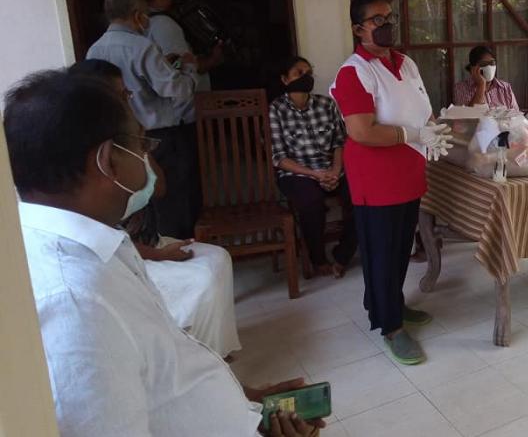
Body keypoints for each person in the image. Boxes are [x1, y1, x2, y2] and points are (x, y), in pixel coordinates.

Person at [4, 68, 324, 437]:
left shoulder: (98, 248)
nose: (146, 157)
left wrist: (247, 401)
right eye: (142, 144)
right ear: (108, 160)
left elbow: (164, 368)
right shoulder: (75, 302)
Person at [68, 58, 241, 358]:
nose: (127, 99)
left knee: (217, 258)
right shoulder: (90, 166)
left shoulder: (127, 139)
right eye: (120, 94)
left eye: (126, 93)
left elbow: (158, 187)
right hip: (127, 256)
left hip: (148, 242)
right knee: (201, 279)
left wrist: (138, 144)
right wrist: (160, 255)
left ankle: (215, 352)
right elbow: (109, 240)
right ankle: (189, 356)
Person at [330, 0, 452, 366]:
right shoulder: (355, 71)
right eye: (377, 20)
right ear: (358, 29)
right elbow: (362, 131)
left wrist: (433, 131)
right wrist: (413, 135)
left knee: (400, 246)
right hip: (376, 178)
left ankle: (391, 303)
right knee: (382, 253)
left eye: (390, 18)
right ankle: (391, 327)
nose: (386, 26)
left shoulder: (406, 63)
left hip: (408, 172)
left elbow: (423, 111)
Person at [86, 0, 202, 239]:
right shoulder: (141, 46)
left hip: (121, 139)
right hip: (159, 134)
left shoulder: (94, 50)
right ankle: (177, 248)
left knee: (137, 198)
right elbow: (173, 88)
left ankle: (148, 247)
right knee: (174, 197)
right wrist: (190, 72)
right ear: (138, 15)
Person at [269, 55, 357, 279]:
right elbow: (279, 157)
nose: (306, 77)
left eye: (309, 72)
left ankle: (343, 254)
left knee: (360, 197)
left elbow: (340, 142)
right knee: (311, 202)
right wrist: (314, 174)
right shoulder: (276, 110)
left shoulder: (326, 104)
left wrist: (335, 171)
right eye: (299, 73)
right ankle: (317, 258)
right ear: (284, 79)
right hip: (297, 172)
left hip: (332, 169)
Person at [142, 0, 224, 94]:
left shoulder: (141, 23)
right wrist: (213, 59)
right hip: (182, 106)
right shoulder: (164, 24)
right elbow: (179, 67)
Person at [452, 45, 519, 110]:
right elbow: (467, 117)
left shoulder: (505, 88)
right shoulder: (461, 88)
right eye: (484, 64)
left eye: (492, 63)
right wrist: (481, 86)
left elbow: (516, 116)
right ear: (473, 68)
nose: (489, 67)